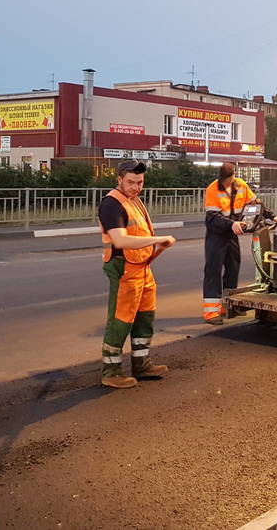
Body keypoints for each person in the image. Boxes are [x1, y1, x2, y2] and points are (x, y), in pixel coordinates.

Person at [99, 161, 176, 389]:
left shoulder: (135, 201)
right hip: (124, 268)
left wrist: (156, 249)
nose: (135, 187)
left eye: (140, 182)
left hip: (142, 267)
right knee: (121, 319)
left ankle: (141, 364)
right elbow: (120, 240)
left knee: (145, 317)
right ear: (119, 180)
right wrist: (157, 240)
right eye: (131, 182)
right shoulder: (111, 204)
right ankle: (110, 371)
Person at [202, 163, 274, 324]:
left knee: (233, 268)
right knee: (213, 271)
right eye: (224, 180)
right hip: (216, 235)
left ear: (233, 176)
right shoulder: (213, 189)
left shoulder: (241, 185)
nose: (226, 183)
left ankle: (228, 306)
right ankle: (211, 313)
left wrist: (272, 216)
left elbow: (256, 203)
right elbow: (212, 217)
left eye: (228, 180)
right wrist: (231, 224)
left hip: (232, 233)